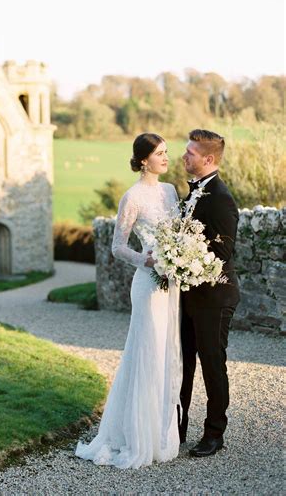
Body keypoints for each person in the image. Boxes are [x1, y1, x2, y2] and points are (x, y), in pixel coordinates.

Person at [75, 133, 182, 469]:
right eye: (159, 154)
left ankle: (162, 433)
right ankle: (136, 436)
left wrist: (181, 255)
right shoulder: (131, 197)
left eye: (167, 152)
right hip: (148, 283)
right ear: (143, 159)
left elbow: (179, 233)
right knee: (146, 351)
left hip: (173, 281)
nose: (166, 158)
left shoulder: (170, 191)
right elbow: (117, 247)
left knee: (167, 350)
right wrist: (147, 260)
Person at [179, 129, 240, 457]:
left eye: (190, 152)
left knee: (212, 364)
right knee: (183, 362)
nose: (184, 156)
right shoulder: (191, 194)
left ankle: (214, 434)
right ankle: (177, 427)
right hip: (188, 297)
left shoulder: (221, 197)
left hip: (215, 297)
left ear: (208, 159)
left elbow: (223, 252)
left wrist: (185, 262)